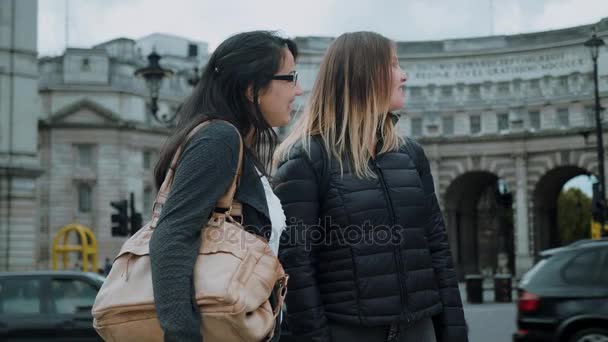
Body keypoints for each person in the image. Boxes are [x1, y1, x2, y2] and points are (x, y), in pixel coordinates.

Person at [273, 31, 467, 342]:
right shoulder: (307, 160)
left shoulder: (412, 155)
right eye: (393, 65)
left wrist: (453, 333)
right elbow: (296, 267)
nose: (404, 75)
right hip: (348, 332)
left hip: (420, 329)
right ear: (364, 76)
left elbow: (438, 251)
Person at [149, 30, 303, 342]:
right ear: (252, 88)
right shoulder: (218, 139)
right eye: (290, 77)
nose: (298, 90)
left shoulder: (232, 142)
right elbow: (172, 235)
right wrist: (182, 335)